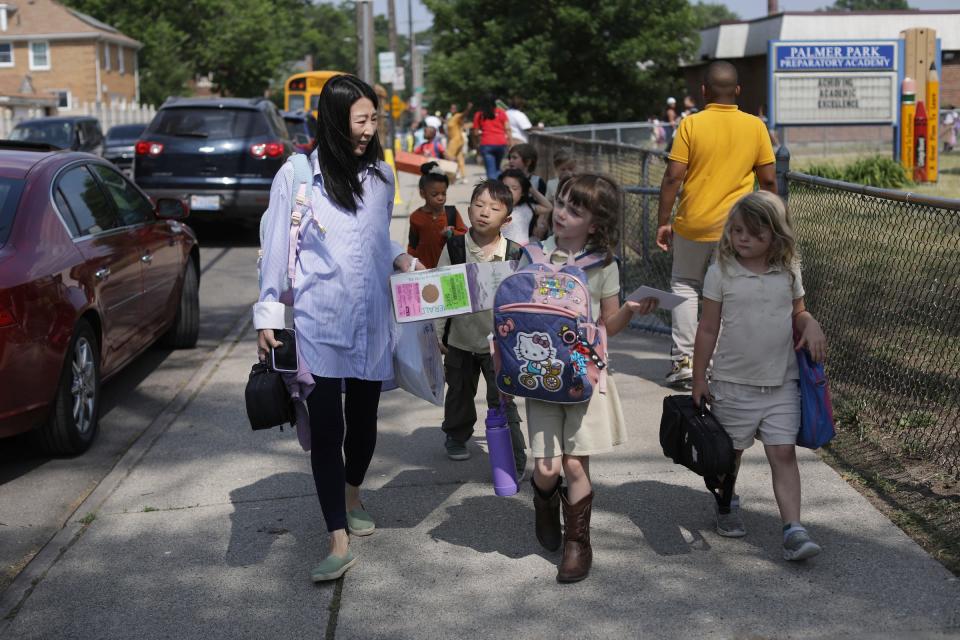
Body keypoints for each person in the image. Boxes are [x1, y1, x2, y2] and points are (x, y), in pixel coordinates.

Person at [255, 74, 422, 583]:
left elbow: (376, 237)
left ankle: (353, 491)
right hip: (317, 323)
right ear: (334, 119)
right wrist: (267, 314)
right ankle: (336, 538)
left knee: (365, 428)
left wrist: (401, 258)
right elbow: (276, 247)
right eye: (361, 120)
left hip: (372, 322)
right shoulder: (297, 176)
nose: (370, 129)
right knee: (328, 429)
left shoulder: (380, 177)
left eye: (375, 119)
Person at [526, 174, 658, 582]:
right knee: (547, 468)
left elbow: (608, 323)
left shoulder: (604, 266)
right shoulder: (532, 256)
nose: (562, 213)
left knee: (575, 464)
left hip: (584, 375)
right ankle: (545, 505)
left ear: (595, 225)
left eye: (574, 210)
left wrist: (631, 310)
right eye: (561, 203)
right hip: (541, 375)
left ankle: (577, 543)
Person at [692, 190, 827, 561]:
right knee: (729, 455)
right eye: (736, 231)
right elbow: (707, 329)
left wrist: (810, 323)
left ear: (776, 236)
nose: (742, 239)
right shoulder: (721, 272)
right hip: (733, 384)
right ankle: (725, 502)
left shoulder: (788, 270)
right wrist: (698, 378)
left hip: (782, 383)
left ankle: (793, 530)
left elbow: (799, 311)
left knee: (783, 453)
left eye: (753, 233)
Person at [656, 60, 776, 388]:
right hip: (737, 229)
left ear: (704, 91)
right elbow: (767, 181)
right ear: (738, 91)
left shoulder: (691, 125)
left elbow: (672, 177)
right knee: (726, 292)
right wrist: (772, 224)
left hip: (692, 223)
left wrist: (663, 221)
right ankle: (718, 363)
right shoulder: (755, 127)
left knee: (684, 284)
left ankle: (683, 361)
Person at [434, 180, 527, 475]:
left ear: (507, 218)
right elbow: (439, 293)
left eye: (494, 208)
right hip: (460, 338)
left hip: (498, 343)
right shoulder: (455, 247)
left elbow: (522, 301)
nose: (484, 212)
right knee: (459, 392)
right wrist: (437, 334)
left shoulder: (514, 254)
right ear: (469, 208)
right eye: (479, 205)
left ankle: (515, 452)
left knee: (503, 396)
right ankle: (456, 435)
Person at [407, 162, 467, 269]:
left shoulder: (451, 213)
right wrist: (411, 265)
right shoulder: (415, 217)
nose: (440, 198)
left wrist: (451, 232)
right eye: (434, 194)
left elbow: (465, 235)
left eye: (443, 193)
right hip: (424, 270)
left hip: (449, 267)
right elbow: (412, 245)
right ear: (422, 193)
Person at [498, 168, 552, 245]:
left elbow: (549, 207)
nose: (509, 191)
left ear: (523, 192)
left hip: (522, 250)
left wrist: (531, 190)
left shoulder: (528, 207)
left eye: (514, 188)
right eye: (505, 187)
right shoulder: (496, 208)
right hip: (501, 249)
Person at [472, 95, 511, 179]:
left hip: (486, 144)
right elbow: (507, 129)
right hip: (501, 143)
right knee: (497, 169)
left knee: (491, 171)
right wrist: (510, 142)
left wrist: (476, 145)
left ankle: (493, 190)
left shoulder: (479, 115)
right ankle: (500, 188)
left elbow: (475, 133)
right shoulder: (501, 112)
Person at [445, 102, 470, 183]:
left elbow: (464, 114)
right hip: (457, 140)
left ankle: (450, 177)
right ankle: (464, 177)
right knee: (459, 158)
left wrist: (468, 108)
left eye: (454, 108)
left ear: (456, 110)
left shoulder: (457, 116)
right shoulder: (451, 118)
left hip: (455, 140)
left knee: (448, 157)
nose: (452, 109)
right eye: (451, 108)